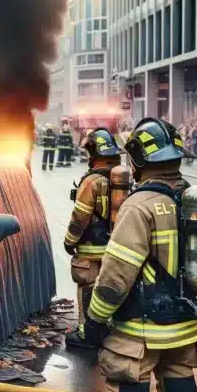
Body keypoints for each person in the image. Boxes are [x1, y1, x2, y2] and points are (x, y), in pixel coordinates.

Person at [78, 118, 197, 392]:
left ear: (137, 159)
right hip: (185, 322)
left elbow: (116, 276)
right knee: (180, 383)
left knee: (129, 387)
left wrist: (95, 318)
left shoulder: (140, 206)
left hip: (141, 326)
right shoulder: (194, 198)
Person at [63, 129, 123, 350]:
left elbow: (80, 216)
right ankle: (107, 327)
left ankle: (87, 332)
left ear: (93, 153)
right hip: (115, 246)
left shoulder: (92, 181)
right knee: (109, 286)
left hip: (90, 247)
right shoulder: (121, 179)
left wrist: (70, 241)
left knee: (87, 285)